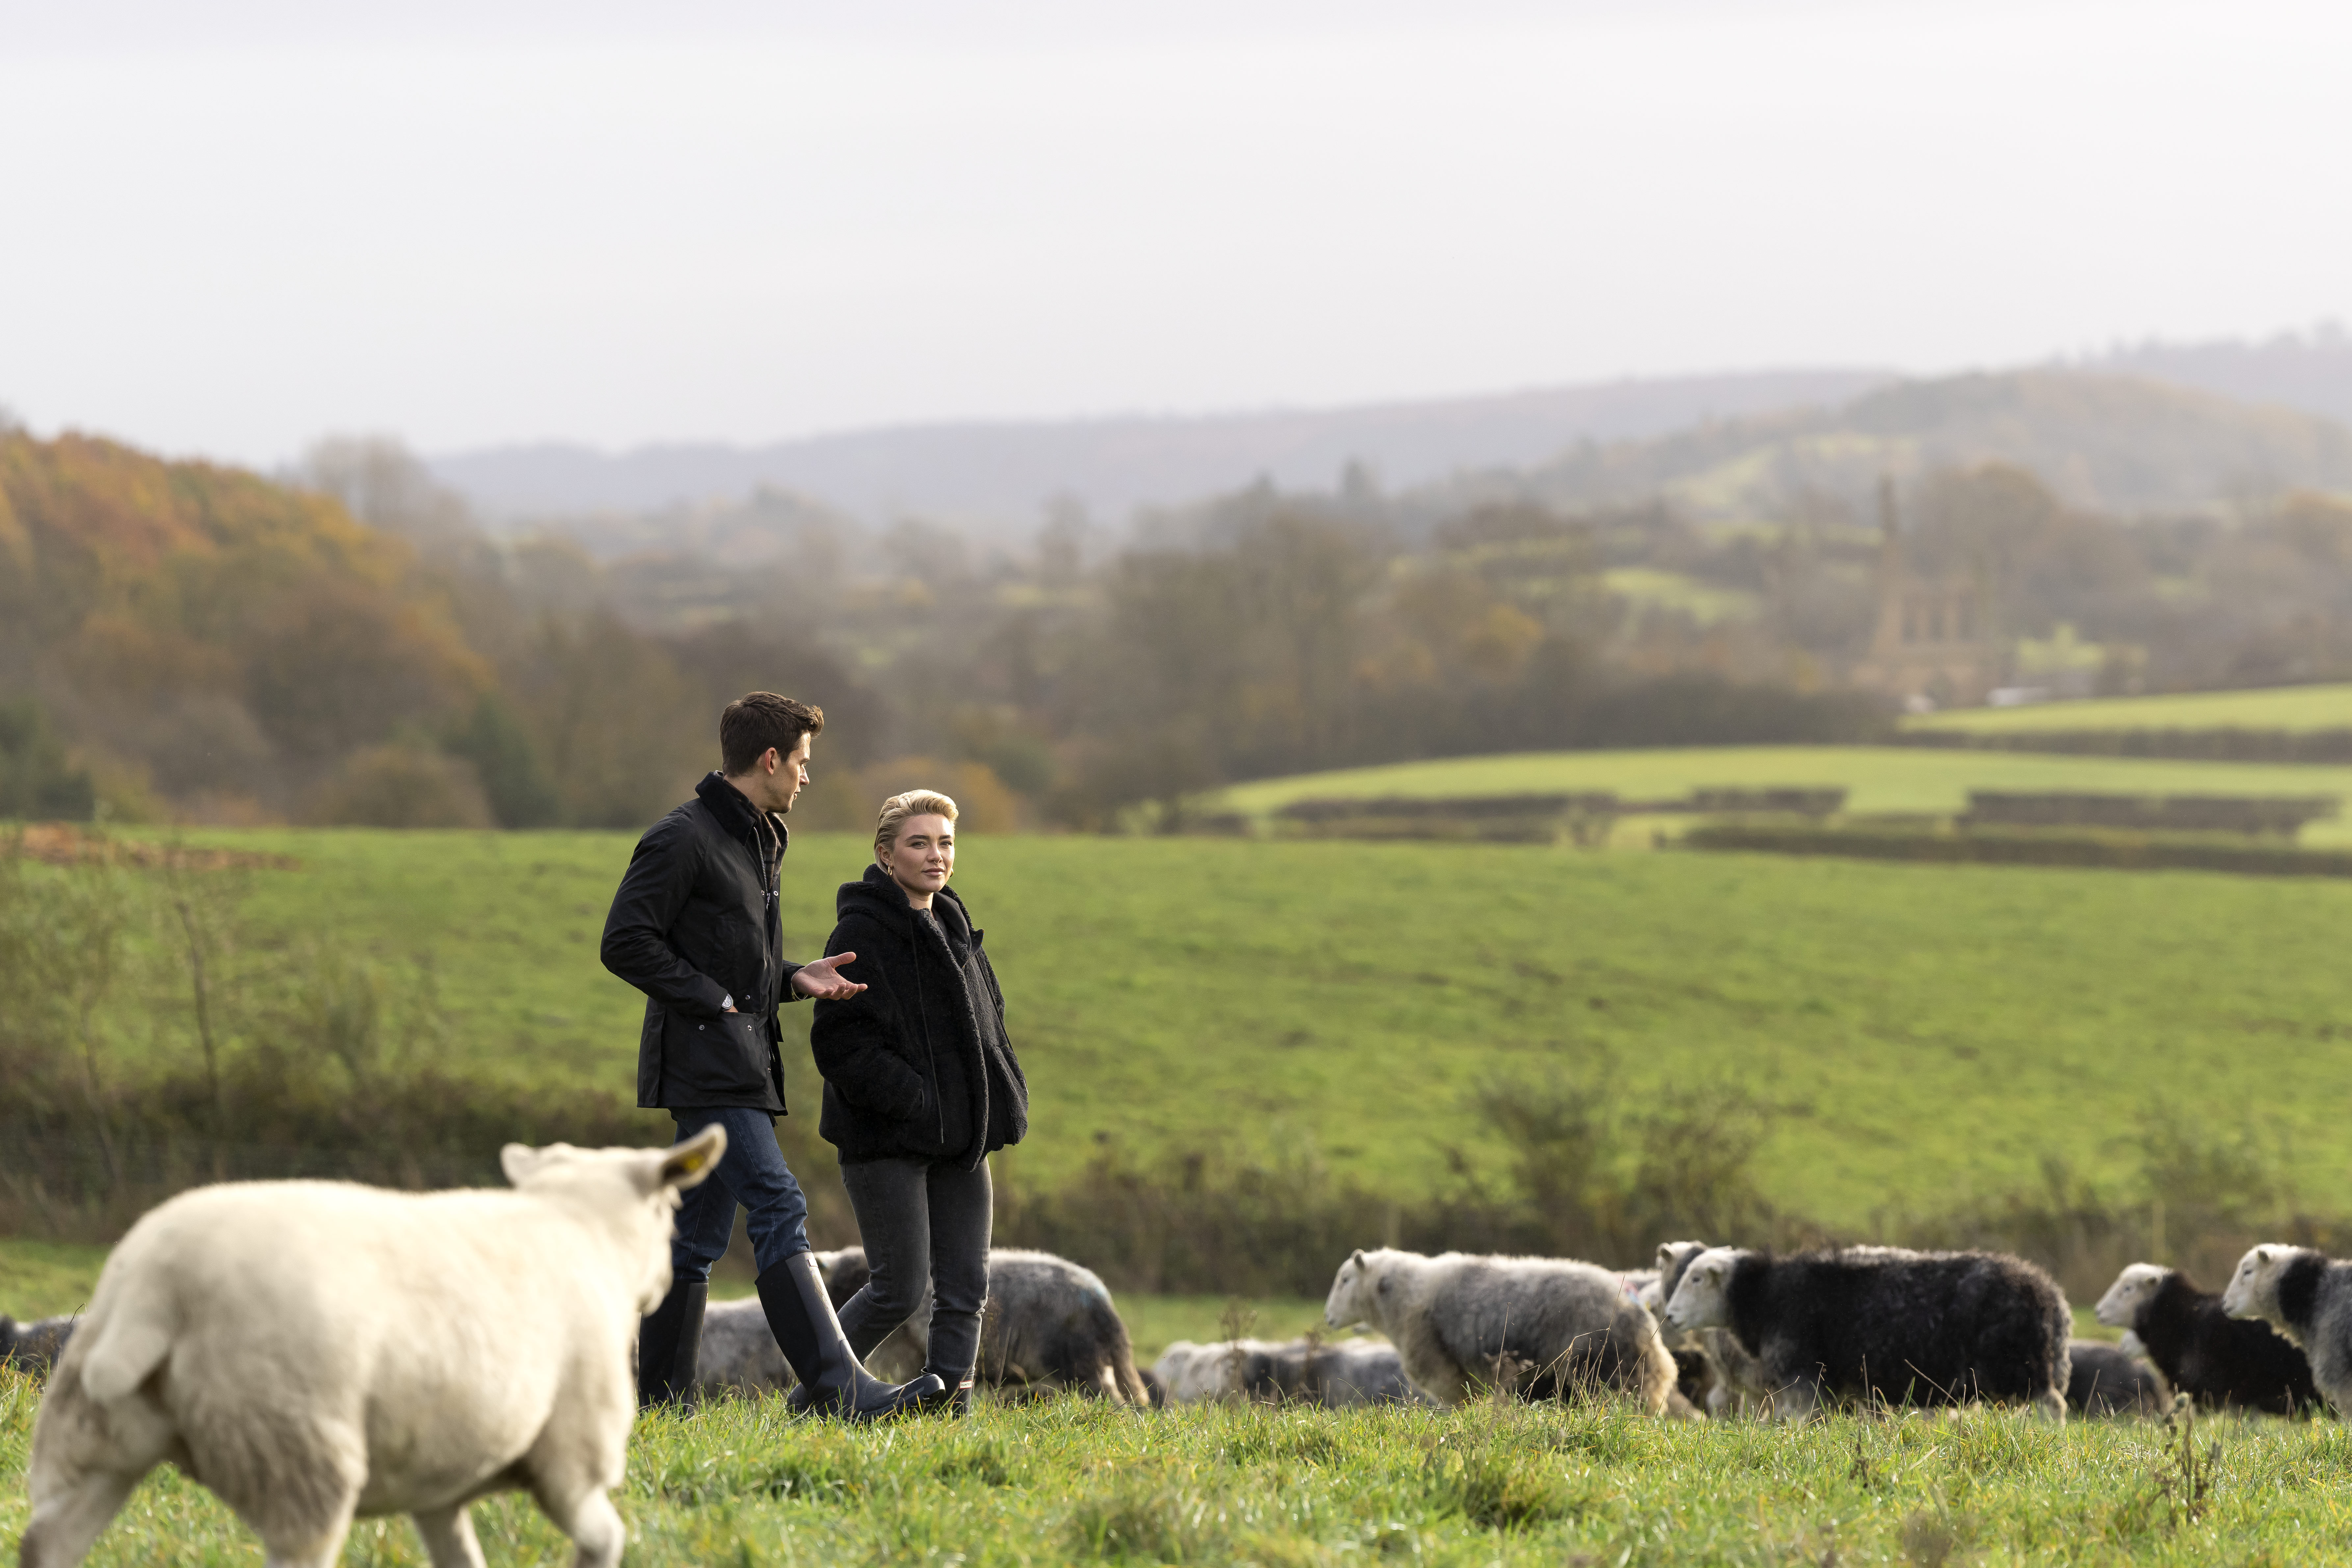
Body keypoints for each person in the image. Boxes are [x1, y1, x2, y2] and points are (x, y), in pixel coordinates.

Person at [600, 693, 941, 1419]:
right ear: (770, 760)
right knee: (780, 1206)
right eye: (803, 763)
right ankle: (838, 1386)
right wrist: (710, 999)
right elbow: (625, 942)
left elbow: (729, 950)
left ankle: (661, 1405)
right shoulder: (682, 839)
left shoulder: (760, 837)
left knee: (693, 1239)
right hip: (705, 1064)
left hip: (744, 1058)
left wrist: (792, 978)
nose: (807, 778)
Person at [807, 789, 1028, 1416]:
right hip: (887, 1143)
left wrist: (1001, 1091)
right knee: (897, 1290)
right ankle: (814, 1398)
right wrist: (919, 1105)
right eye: (919, 843)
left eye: (946, 843)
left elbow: (990, 1026)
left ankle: (945, 1414)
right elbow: (842, 1045)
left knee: (966, 1287)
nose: (937, 856)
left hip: (962, 1141)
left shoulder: (954, 924)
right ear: (886, 855)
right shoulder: (860, 932)